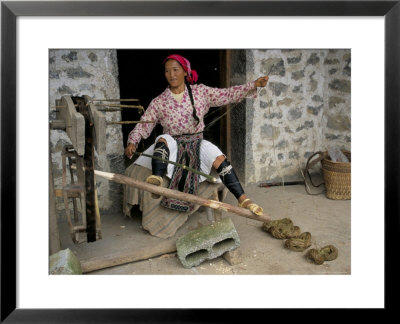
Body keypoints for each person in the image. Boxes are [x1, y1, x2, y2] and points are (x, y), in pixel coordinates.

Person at [125, 54, 268, 215]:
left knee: (219, 158)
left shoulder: (201, 92)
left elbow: (227, 94)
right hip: (172, 145)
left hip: (196, 142)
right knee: (162, 139)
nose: (171, 75)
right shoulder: (159, 102)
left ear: (185, 72)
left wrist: (253, 85)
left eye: (175, 70)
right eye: (167, 71)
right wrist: (133, 141)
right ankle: (156, 179)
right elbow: (145, 123)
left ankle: (243, 199)